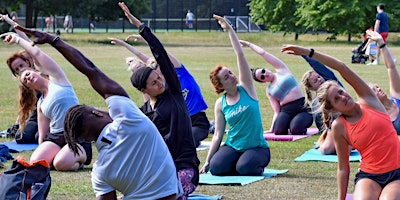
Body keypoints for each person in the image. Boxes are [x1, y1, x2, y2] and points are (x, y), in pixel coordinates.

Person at [15, 23, 179, 200]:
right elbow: (90, 70)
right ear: (96, 113)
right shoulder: (129, 118)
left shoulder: (100, 171)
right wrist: (54, 40)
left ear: (83, 139)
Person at [281, 44, 400, 200]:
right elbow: (343, 168)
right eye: (337, 99)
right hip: (369, 176)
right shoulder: (339, 126)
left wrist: (308, 52)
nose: (343, 97)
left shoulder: (369, 100)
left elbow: (341, 67)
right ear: (334, 109)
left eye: (341, 92)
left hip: (396, 171)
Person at [119, 2, 199, 199]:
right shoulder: (143, 112)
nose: (160, 83)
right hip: (158, 171)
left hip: (184, 169)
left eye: (159, 78)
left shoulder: (174, 96)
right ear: (144, 90)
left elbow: (160, 54)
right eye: (154, 83)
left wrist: (141, 27)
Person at [0, 30, 92, 171]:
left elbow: (36, 53)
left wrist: (18, 39)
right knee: (36, 162)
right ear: (28, 86)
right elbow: (42, 135)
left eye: (28, 74)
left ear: (36, 71)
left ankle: (77, 159)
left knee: (61, 164)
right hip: (56, 137)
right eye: (25, 80)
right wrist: (42, 149)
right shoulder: (41, 103)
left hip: (75, 135)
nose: (28, 78)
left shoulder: (58, 79)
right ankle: (60, 155)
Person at [199, 15, 270, 176]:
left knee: (244, 169)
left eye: (230, 72)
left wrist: (229, 29)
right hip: (233, 146)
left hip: (257, 148)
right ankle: (237, 162)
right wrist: (208, 161)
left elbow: (240, 55)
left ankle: (247, 163)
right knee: (216, 169)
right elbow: (217, 134)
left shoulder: (247, 88)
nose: (232, 76)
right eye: (226, 77)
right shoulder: (220, 103)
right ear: (220, 86)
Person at [109, 35, 210, 147]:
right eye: (157, 75)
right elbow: (150, 108)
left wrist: (147, 39)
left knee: (186, 141)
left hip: (197, 122)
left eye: (162, 70)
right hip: (178, 123)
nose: (160, 76)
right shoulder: (162, 87)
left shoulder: (181, 74)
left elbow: (161, 52)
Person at [240, 40, 313, 135]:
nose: (265, 74)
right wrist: (271, 129)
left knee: (296, 130)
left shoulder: (281, 70)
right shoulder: (269, 91)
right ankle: (290, 124)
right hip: (286, 110)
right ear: (263, 81)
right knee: (278, 131)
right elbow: (277, 110)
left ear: (265, 68)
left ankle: (296, 124)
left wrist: (248, 44)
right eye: (262, 77)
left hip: (301, 107)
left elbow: (263, 53)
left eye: (263, 71)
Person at [0, 14, 40, 144]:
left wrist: (10, 22)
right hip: (37, 117)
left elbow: (28, 44)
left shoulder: (41, 70)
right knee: (21, 137)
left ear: (29, 62)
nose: (20, 71)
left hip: (52, 114)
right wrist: (19, 125)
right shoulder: (25, 84)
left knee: (39, 137)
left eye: (21, 66)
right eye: (16, 70)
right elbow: (24, 108)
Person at [300, 55, 344, 154]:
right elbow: (321, 126)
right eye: (315, 81)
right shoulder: (317, 102)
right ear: (312, 88)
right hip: (335, 130)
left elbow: (320, 67)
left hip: (349, 124)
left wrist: (305, 54)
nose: (320, 79)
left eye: (319, 77)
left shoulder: (332, 83)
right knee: (326, 150)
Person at [367, 30, 400, 135]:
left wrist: (381, 44)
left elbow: (391, 67)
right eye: (374, 91)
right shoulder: (380, 119)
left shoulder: (397, 97)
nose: (379, 89)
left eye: (377, 87)